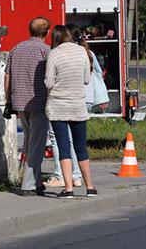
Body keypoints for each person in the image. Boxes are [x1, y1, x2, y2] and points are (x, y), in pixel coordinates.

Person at [45, 25, 97, 199]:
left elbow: (49, 83)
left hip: (58, 106)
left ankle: (68, 189)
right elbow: (86, 79)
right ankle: (90, 187)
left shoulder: (54, 53)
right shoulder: (82, 52)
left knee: (63, 146)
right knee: (81, 147)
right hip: (77, 105)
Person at [4, 16, 52, 196]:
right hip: (39, 102)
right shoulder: (46, 51)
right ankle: (29, 184)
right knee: (37, 145)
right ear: (47, 33)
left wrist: (8, 100)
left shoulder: (16, 49)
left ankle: (37, 182)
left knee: (30, 140)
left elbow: (7, 76)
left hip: (19, 103)